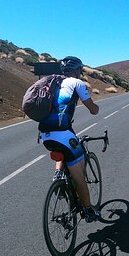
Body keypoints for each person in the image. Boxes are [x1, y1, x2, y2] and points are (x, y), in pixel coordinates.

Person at [39, 56, 100, 222]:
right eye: (80, 70)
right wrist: (96, 108)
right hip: (63, 133)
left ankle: (58, 174)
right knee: (79, 175)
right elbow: (93, 110)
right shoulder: (77, 83)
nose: (81, 73)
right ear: (77, 70)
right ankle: (88, 210)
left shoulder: (52, 82)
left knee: (62, 149)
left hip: (45, 134)